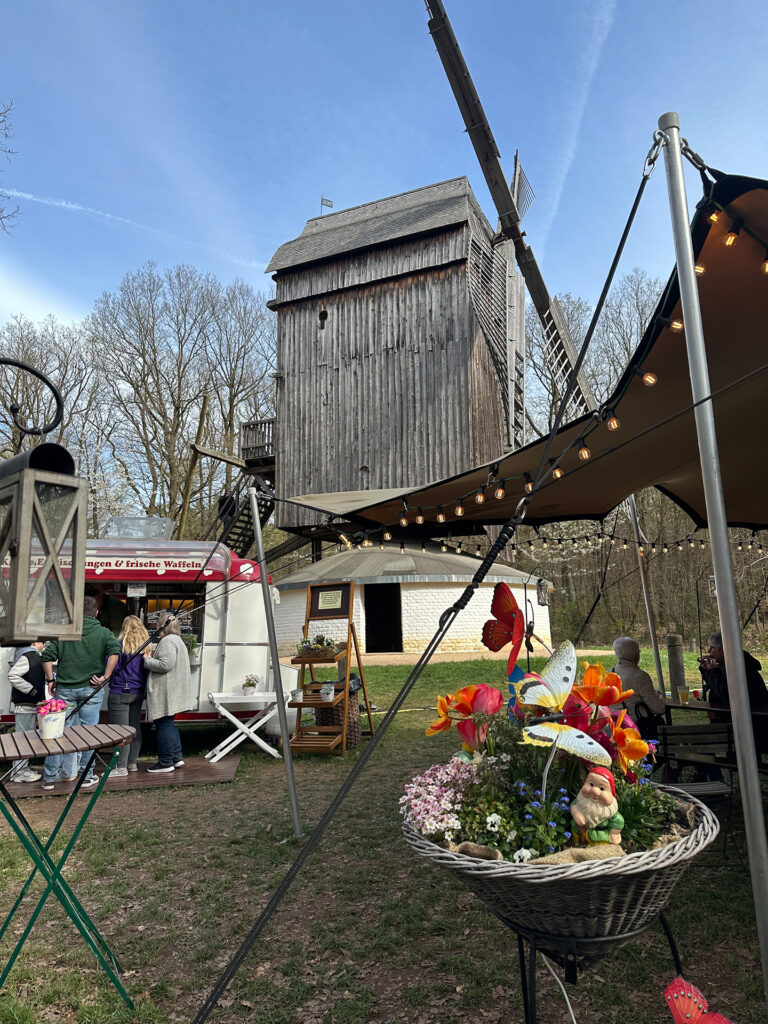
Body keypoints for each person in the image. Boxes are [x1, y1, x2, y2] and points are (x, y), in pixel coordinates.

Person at [40, 595, 121, 791]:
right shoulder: (104, 633)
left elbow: (46, 656)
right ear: (96, 613)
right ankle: (86, 775)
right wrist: (105, 676)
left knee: (57, 733)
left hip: (65, 689)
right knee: (89, 734)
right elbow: (114, 652)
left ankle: (49, 778)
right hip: (91, 690)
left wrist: (51, 679)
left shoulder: (66, 632)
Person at [698, 631, 768, 760]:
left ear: (722, 650)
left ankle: (716, 777)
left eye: (712, 648)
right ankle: (710, 776)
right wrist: (707, 670)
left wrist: (712, 672)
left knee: (700, 741)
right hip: (734, 720)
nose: (709, 651)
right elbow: (716, 688)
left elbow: (726, 693)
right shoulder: (728, 665)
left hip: (751, 726)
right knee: (699, 740)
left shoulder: (739, 667)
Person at [142, 614, 191, 773]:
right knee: (169, 723)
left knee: (163, 724)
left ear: (163, 626)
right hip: (173, 690)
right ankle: (176, 758)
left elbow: (165, 664)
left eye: (158, 625)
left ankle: (165, 762)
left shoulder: (167, 641)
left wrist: (147, 660)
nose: (157, 628)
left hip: (166, 691)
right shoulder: (178, 640)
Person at [108, 616, 150, 777]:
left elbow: (111, 666)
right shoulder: (146, 646)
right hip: (137, 692)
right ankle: (132, 763)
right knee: (134, 728)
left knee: (121, 732)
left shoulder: (118, 645)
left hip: (119, 691)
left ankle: (120, 767)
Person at [612, 636, 666, 740]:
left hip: (615, 727)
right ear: (636, 656)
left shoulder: (608, 674)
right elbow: (659, 709)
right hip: (636, 729)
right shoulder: (640, 676)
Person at [8, 641, 46, 782]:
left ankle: (21, 769)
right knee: (23, 739)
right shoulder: (29, 656)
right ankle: (19, 772)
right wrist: (31, 690)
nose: (44, 644)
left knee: (25, 737)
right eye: (43, 641)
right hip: (24, 703)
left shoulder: (32, 656)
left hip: (29, 703)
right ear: (35, 642)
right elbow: (13, 675)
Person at [570, 767, 624, 845]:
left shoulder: (609, 811)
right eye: (591, 784)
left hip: (598, 838)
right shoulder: (581, 800)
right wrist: (576, 812)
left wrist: (614, 833)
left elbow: (618, 821)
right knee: (576, 844)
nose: (595, 791)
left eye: (602, 788)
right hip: (578, 833)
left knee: (598, 851)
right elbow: (573, 804)